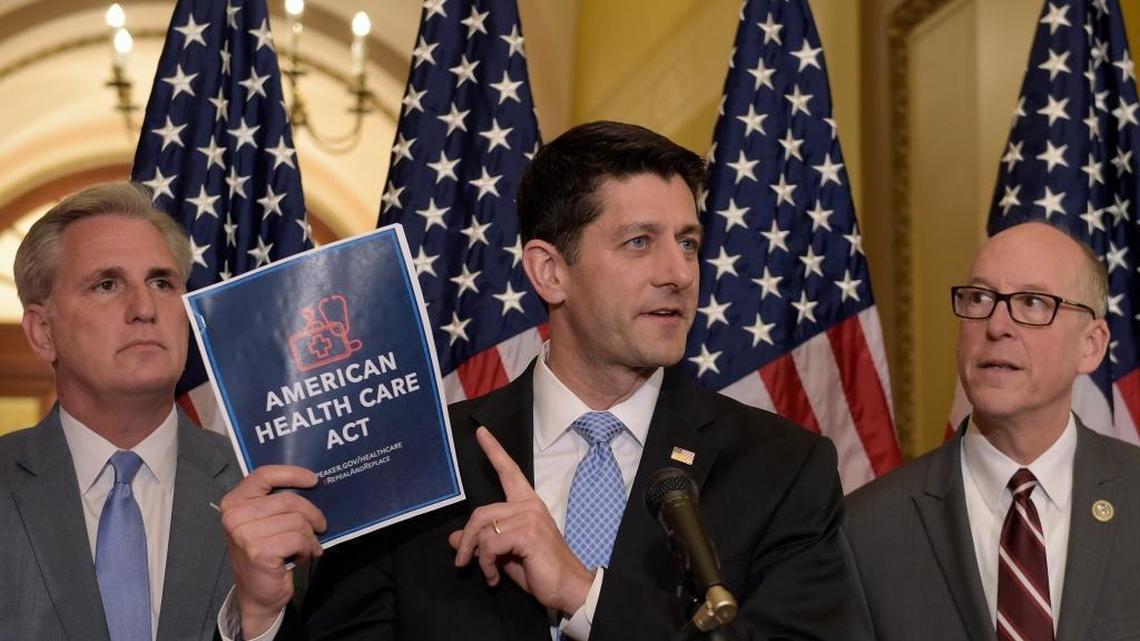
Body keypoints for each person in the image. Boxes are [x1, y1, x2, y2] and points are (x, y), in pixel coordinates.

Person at [220, 121, 854, 640]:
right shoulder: (419, 466)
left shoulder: (783, 468)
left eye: (687, 243)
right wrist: (260, 616)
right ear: (549, 273)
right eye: (639, 242)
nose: (679, 273)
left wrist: (583, 594)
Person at [843, 222, 1140, 640]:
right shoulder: (864, 529)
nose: (997, 326)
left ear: (1091, 345)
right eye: (980, 298)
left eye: (1033, 302)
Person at [0, 182, 241, 641]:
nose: (145, 308)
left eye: (162, 283)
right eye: (107, 284)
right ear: (42, 333)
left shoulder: (261, 488)